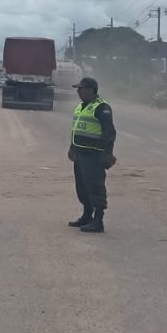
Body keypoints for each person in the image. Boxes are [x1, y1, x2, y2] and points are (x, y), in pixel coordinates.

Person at [68, 77, 117, 233]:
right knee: (82, 187)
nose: (78, 91)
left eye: (81, 88)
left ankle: (98, 221)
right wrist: (72, 148)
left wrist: (107, 154)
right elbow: (76, 129)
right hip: (80, 154)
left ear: (90, 90)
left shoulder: (102, 107)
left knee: (95, 187)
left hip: (94, 155)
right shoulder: (81, 107)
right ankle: (87, 215)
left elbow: (109, 133)